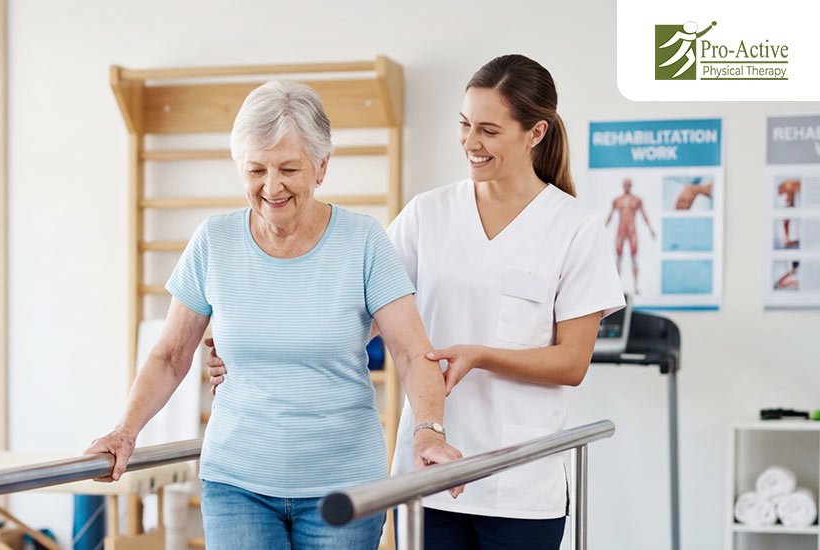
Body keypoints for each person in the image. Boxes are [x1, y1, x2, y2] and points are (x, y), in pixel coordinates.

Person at [208, 55, 625, 550]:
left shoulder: (574, 228)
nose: (471, 143)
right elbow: (354, 315)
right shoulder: (427, 214)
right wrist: (255, 351)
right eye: (465, 125)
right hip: (427, 476)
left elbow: (572, 361)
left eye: (489, 130)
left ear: (535, 133)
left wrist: (480, 355)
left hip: (520, 482)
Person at [85, 81, 462, 550]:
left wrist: (428, 431)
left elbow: (411, 352)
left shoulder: (363, 242)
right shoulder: (214, 241)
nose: (271, 186)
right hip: (236, 482)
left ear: (322, 167)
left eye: (288, 168)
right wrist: (125, 432)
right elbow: (170, 355)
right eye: (256, 169)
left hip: (343, 486)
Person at [606, 177, 656, 294]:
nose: (627, 186)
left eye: (629, 184)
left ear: (631, 185)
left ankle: (636, 287)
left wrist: (651, 229)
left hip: (632, 230)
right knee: (619, 258)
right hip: (621, 230)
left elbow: (644, 215)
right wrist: (602, 229)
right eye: (625, 184)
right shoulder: (617, 200)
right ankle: (617, 288)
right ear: (623, 185)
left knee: (633, 258)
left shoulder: (636, 200)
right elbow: (610, 215)